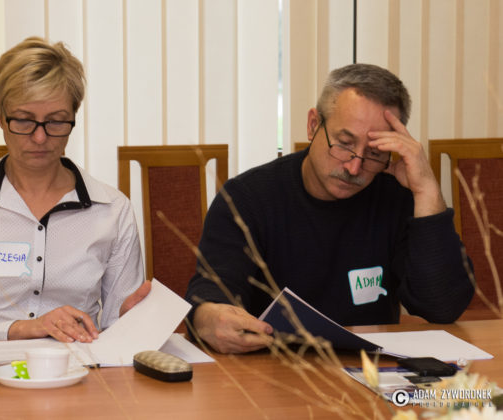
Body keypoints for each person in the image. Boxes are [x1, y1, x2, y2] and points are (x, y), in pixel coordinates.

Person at [185, 63, 474, 354]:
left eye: (375, 153)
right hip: (272, 366)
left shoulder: (395, 197)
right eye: (344, 144)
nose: (354, 167)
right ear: (313, 125)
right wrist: (206, 316)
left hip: (368, 368)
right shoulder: (247, 198)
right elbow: (213, 293)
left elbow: (443, 306)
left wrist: (426, 190)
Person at [0, 37, 150, 343]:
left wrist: (132, 325)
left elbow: (118, 337)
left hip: (76, 368)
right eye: (24, 120)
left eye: (56, 122)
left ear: (74, 114)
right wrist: (21, 329)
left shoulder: (112, 210)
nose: (40, 138)